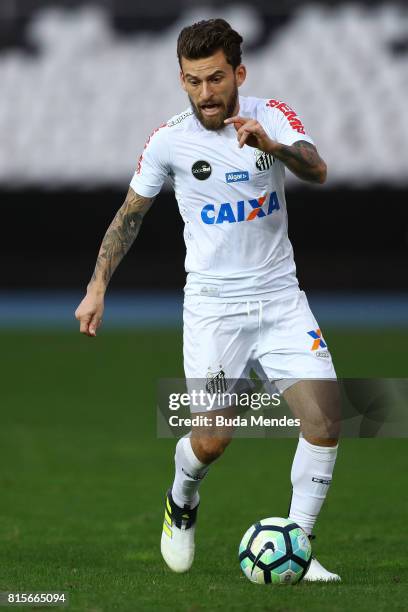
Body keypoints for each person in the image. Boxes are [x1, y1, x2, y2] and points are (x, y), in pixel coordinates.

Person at [75, 18, 341, 581]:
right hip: (215, 309)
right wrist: (97, 286)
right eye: (192, 81)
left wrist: (275, 148)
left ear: (238, 73)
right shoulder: (169, 140)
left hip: (279, 298)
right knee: (214, 440)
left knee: (324, 419)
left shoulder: (272, 116)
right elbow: (130, 216)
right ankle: (181, 498)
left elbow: (317, 169)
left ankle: (298, 545)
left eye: (215, 79)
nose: (205, 93)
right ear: (181, 80)